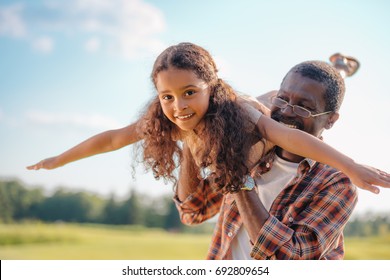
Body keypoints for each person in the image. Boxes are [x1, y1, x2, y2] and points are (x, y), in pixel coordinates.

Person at [27, 43, 389, 220]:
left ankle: (338, 67)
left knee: (284, 99)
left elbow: (292, 137)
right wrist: (59, 159)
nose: (179, 106)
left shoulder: (241, 112)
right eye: (167, 96)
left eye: (189, 93)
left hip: (254, 122)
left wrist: (351, 166)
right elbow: (111, 138)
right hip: (239, 143)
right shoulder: (166, 119)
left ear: (210, 87)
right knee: (271, 98)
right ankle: (336, 65)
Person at [174, 59, 386, 259]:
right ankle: (339, 67)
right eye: (283, 99)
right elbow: (193, 211)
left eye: (304, 107)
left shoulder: (337, 183)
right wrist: (192, 132)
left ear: (331, 120)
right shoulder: (253, 148)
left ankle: (340, 67)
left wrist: (238, 179)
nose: (286, 111)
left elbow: (287, 258)